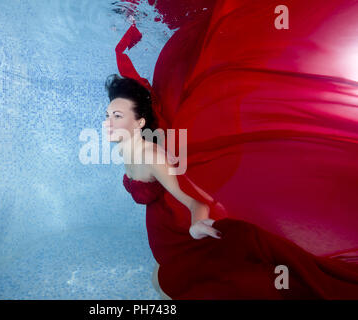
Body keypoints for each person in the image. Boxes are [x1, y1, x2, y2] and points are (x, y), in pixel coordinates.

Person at [102, 14, 358, 299]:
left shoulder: (152, 154)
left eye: (116, 116)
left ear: (138, 123)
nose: (108, 123)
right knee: (167, 282)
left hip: (176, 231)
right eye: (108, 115)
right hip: (162, 232)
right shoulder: (127, 144)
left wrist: (199, 222)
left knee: (173, 284)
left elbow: (192, 199)